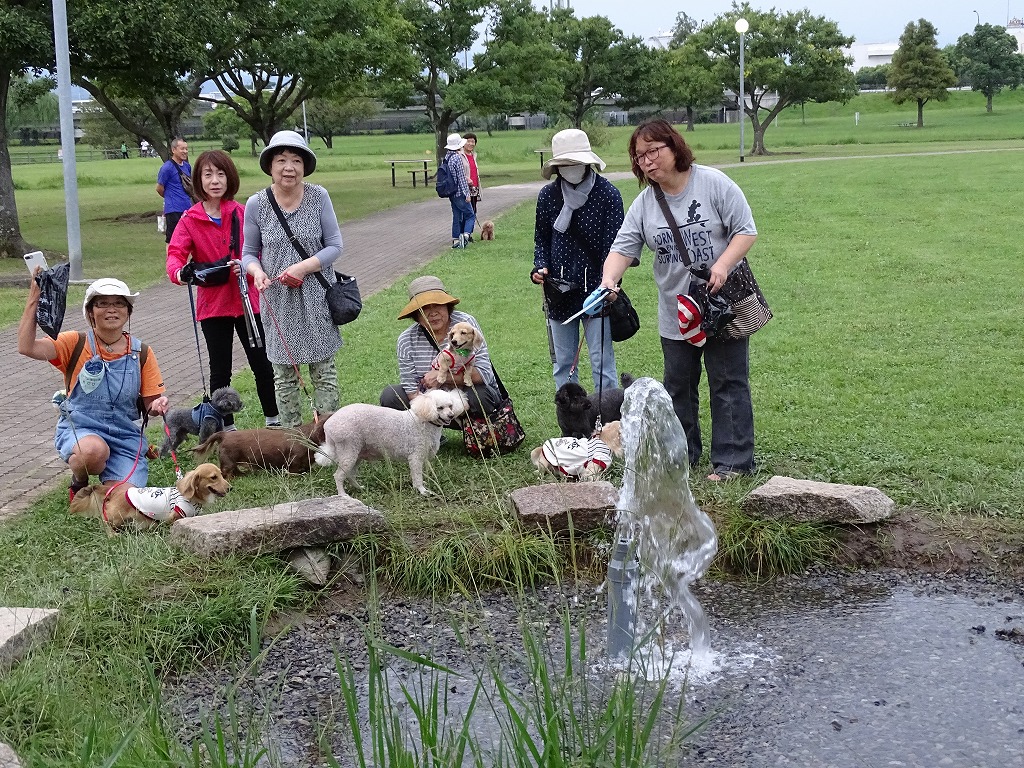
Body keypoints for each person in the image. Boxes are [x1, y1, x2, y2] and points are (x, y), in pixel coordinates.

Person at [599, 118, 759, 482]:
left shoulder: (713, 183)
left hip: (720, 306)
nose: (647, 161)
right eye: (640, 157)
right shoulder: (644, 204)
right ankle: (681, 456)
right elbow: (622, 248)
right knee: (678, 387)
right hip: (676, 312)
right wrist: (610, 277)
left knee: (728, 381)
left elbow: (746, 230)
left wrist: (722, 264)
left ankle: (733, 463)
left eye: (653, 151)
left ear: (675, 147)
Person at [17, 274, 169, 499]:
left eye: (119, 303)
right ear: (90, 312)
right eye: (103, 303)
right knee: (92, 453)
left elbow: (150, 404)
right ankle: (79, 483)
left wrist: (158, 405)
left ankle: (112, 483)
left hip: (125, 436)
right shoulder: (74, 343)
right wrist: (33, 298)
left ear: (128, 312)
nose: (112, 309)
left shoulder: (142, 352)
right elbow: (26, 347)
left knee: (126, 499)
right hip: (82, 429)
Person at [166, 149, 280, 430]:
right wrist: (179, 273)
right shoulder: (189, 219)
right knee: (220, 371)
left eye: (220, 174)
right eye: (207, 174)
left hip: (248, 302)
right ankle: (226, 429)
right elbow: (175, 254)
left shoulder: (243, 212)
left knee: (262, 364)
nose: (215, 180)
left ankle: (274, 422)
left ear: (230, 178)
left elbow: (262, 250)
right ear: (198, 179)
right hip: (213, 305)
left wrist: (250, 265)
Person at [242, 130, 342, 429]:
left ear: (305, 165)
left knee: (323, 370)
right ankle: (291, 441)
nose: (289, 167)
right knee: (284, 375)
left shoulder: (318, 196)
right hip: (277, 299)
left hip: (317, 295)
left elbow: (335, 245)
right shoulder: (256, 204)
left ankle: (328, 436)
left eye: (296, 160)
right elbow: (248, 253)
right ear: (270, 166)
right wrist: (257, 271)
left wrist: (303, 267)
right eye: (282, 160)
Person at [532, 128, 624, 394]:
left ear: (587, 162)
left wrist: (610, 285)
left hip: (597, 291)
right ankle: (570, 423)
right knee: (563, 364)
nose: (569, 169)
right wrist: (540, 267)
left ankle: (606, 422)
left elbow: (617, 248)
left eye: (574, 163)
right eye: (564, 164)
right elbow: (541, 240)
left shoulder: (608, 195)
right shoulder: (547, 196)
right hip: (558, 292)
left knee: (602, 363)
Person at [380, 276, 501, 419]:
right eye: (424, 308)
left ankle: (476, 432)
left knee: (480, 395)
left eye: (437, 305)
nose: (432, 313)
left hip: (466, 393)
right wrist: (428, 408)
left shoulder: (465, 324)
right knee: (391, 395)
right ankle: (430, 431)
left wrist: (442, 377)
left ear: (447, 306)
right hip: (430, 400)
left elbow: (484, 374)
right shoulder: (406, 339)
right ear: (416, 315)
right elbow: (410, 387)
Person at [156, 138, 193, 243]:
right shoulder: (167, 168)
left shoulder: (187, 166)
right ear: (173, 150)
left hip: (187, 208)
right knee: (172, 239)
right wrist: (170, 197)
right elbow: (159, 188)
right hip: (173, 209)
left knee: (188, 238)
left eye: (186, 149)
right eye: (182, 149)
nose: (185, 151)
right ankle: (171, 260)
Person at [442, 133, 475, 249]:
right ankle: (465, 236)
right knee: (470, 215)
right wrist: (467, 194)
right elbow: (461, 178)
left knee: (456, 215)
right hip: (460, 192)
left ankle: (456, 239)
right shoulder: (457, 158)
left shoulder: (446, 157)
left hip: (451, 193)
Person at [464, 132, 481, 225]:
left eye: (473, 141)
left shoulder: (473, 155)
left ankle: (469, 232)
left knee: (473, 209)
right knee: (467, 211)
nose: (471, 144)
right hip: (465, 187)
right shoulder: (460, 155)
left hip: (474, 187)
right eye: (468, 141)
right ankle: (464, 233)